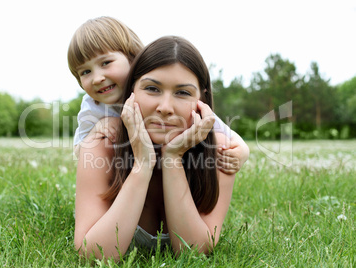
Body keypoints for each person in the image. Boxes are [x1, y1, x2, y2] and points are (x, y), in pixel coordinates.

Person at [74, 36, 238, 260]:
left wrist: (172, 158)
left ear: (202, 100)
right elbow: (93, 255)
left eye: (183, 93)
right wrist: (143, 164)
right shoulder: (102, 143)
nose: (165, 107)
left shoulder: (221, 151)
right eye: (152, 88)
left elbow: (194, 252)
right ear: (131, 91)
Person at [67, 16, 250, 174]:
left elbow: (211, 120)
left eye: (106, 62)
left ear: (133, 58)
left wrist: (241, 147)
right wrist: (98, 130)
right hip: (123, 179)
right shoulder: (93, 106)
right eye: (85, 72)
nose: (97, 78)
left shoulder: (152, 92)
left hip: (169, 171)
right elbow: (79, 152)